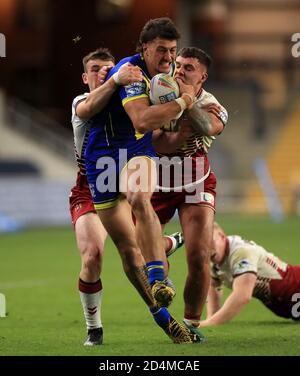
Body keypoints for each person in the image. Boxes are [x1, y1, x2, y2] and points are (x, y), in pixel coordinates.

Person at [85, 18, 202, 343]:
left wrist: (182, 133)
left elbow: (155, 135)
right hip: (103, 159)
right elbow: (140, 117)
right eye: (162, 50)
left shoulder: (167, 78)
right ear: (144, 48)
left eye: (173, 51)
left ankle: (159, 276)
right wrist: (182, 104)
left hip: (137, 151)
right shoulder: (131, 71)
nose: (168, 58)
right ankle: (162, 317)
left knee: (139, 196)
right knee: (126, 251)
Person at [151, 47, 228, 332]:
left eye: (188, 68)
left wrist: (185, 101)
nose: (179, 71)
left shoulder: (212, 103)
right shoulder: (156, 93)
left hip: (196, 182)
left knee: (199, 255)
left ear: (203, 76)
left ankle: (191, 327)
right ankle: (169, 247)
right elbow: (156, 143)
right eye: (178, 64)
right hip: (158, 183)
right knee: (141, 255)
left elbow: (209, 126)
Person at [198, 222, 300, 326]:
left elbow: (242, 295)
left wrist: (211, 322)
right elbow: (214, 285)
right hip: (287, 303)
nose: (208, 249)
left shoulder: (242, 253)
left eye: (211, 242)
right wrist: (212, 317)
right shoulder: (213, 258)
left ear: (222, 236)